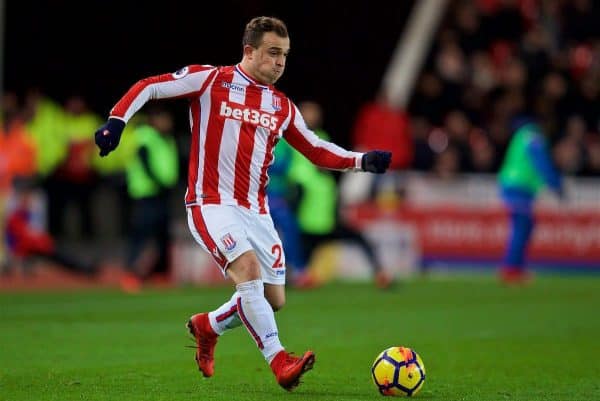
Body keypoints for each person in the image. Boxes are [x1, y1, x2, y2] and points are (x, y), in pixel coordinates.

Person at [94, 16, 392, 391]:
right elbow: (150, 87)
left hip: (256, 210)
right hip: (211, 203)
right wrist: (116, 121)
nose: (280, 62)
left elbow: (315, 149)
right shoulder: (211, 80)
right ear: (248, 51)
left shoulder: (281, 106)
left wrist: (361, 161)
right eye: (272, 53)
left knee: (274, 298)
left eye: (284, 54)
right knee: (248, 271)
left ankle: (209, 325)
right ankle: (280, 360)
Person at [287, 101, 394, 289]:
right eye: (309, 113)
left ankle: (381, 274)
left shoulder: (320, 139)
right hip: (307, 224)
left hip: (328, 221)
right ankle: (283, 282)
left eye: (315, 113)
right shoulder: (293, 153)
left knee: (360, 238)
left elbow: (329, 160)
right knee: (293, 260)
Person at [120, 105, 180, 293]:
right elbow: (145, 163)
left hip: (161, 195)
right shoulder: (145, 136)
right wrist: (161, 183)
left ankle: (160, 274)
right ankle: (131, 274)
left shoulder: (165, 138)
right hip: (146, 194)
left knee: (163, 236)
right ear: (155, 120)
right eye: (164, 119)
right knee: (142, 235)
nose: (167, 123)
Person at [497, 117, 564, 284]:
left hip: (514, 185)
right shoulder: (532, 136)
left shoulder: (521, 135)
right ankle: (512, 269)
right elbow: (540, 161)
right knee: (522, 227)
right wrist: (555, 183)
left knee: (524, 226)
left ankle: (515, 268)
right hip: (518, 186)